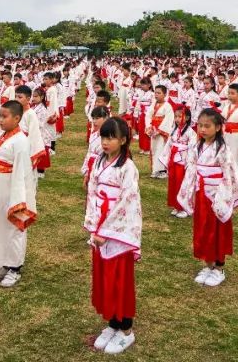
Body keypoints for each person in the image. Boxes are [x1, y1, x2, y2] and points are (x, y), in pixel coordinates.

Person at [85, 116, 142, 355]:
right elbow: (92, 192)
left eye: (111, 138)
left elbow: (127, 201)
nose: (106, 142)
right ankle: (112, 322)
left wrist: (107, 230)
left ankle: (126, 329)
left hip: (118, 230)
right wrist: (92, 225)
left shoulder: (128, 168)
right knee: (105, 278)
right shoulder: (99, 162)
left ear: (123, 140)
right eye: (103, 137)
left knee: (120, 279)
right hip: (100, 224)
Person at [177, 108, 238, 287]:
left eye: (207, 126)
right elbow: (191, 168)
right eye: (200, 125)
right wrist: (189, 189)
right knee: (202, 229)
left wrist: (223, 195)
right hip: (201, 194)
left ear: (217, 128)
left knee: (217, 232)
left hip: (217, 195)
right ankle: (208, 264)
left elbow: (229, 173)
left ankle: (219, 268)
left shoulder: (222, 149)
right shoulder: (196, 146)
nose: (202, 129)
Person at [0, 101, 38, 289]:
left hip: (13, 192)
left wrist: (18, 200)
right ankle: (3, 263)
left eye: (5, 117)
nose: (1, 120)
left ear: (17, 118)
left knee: (14, 229)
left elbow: (22, 173)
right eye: (0, 116)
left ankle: (15, 267)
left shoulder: (21, 141)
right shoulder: (0, 137)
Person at [162, 106, 197, 218]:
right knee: (173, 182)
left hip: (184, 159)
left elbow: (192, 148)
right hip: (174, 158)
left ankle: (184, 207)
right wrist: (167, 158)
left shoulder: (191, 132)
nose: (177, 119)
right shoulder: (175, 130)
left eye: (179, 116)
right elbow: (169, 144)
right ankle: (175, 205)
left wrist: (189, 162)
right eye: (175, 116)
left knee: (183, 183)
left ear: (187, 117)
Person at [147, 86, 174, 179]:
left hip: (161, 132)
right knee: (154, 149)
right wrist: (149, 127)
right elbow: (148, 115)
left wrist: (159, 130)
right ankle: (155, 170)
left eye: (159, 93)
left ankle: (162, 171)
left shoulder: (168, 106)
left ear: (165, 94)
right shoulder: (153, 104)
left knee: (161, 150)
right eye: (155, 93)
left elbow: (168, 120)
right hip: (153, 129)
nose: (156, 95)